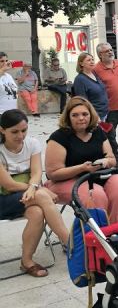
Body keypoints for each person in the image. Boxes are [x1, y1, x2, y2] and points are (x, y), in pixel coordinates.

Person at [44, 97, 118, 223]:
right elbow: (53, 173)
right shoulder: (59, 137)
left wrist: (105, 162)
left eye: (85, 114)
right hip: (66, 181)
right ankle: (97, 238)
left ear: (91, 115)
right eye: (75, 115)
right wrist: (82, 168)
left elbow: (111, 159)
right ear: (68, 117)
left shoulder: (97, 131)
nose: (81, 118)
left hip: (98, 175)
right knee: (94, 194)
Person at [0, 109, 69, 278]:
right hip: (3, 198)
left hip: (25, 196)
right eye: (14, 132)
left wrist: (34, 187)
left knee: (37, 212)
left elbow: (37, 173)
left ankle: (27, 261)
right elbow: (8, 184)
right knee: (42, 195)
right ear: (2, 130)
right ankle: (71, 244)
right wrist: (38, 189)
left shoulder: (32, 144)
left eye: (24, 130)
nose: (20, 135)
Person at [94, 42, 118, 165]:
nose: (111, 52)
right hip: (109, 111)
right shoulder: (96, 69)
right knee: (111, 139)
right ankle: (116, 166)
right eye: (107, 51)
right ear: (100, 54)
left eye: (111, 50)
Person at [72, 52, 109, 121]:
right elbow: (83, 101)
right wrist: (94, 116)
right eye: (88, 60)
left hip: (105, 113)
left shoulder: (94, 74)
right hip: (95, 116)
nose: (92, 62)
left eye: (92, 59)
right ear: (81, 63)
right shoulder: (80, 79)